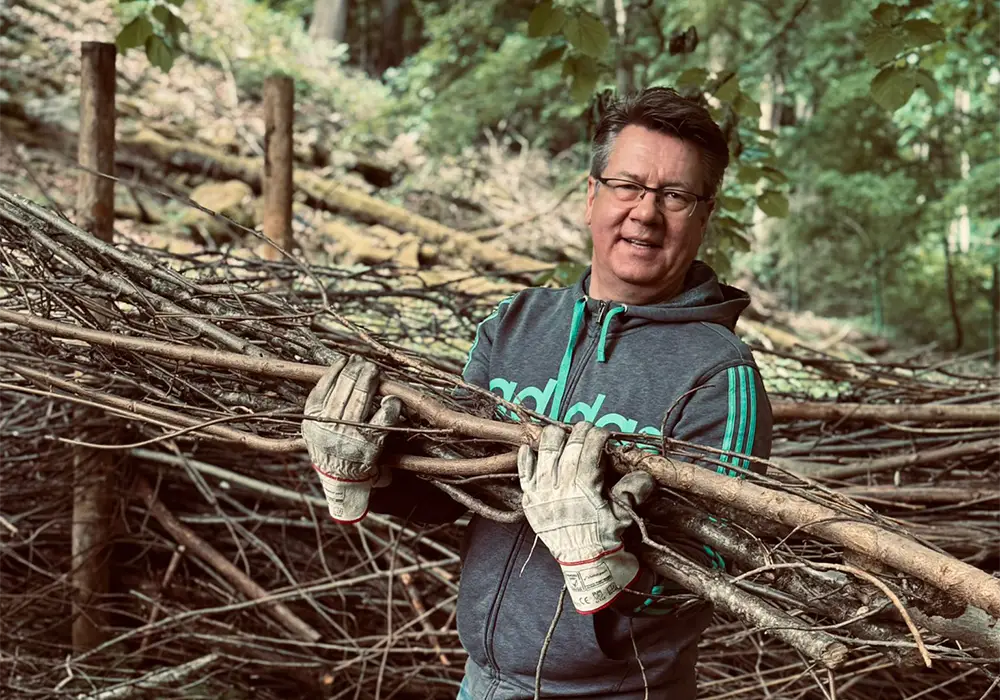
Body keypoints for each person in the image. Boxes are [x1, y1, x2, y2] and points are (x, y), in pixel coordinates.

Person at [302, 87, 773, 699]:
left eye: (676, 196)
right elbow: (457, 486)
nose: (646, 213)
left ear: (704, 217)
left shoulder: (720, 376)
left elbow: (713, 572)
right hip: (482, 685)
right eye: (627, 184)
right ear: (591, 196)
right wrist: (369, 473)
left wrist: (606, 564)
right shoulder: (517, 323)